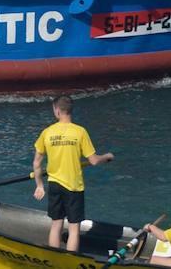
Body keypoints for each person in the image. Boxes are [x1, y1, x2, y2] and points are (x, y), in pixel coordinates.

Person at [31, 94, 114, 252]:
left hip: (54, 184)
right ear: (70, 111)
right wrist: (107, 157)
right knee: (74, 228)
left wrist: (39, 186)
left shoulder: (47, 132)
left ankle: (54, 259)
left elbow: (36, 163)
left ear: (57, 111)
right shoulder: (80, 132)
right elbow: (94, 161)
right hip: (74, 187)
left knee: (56, 224)